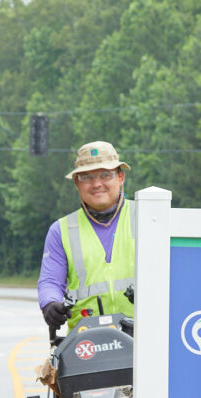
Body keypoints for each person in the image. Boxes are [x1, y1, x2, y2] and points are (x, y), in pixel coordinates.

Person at [38, 141, 135, 331]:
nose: (97, 183)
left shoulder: (148, 217)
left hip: (146, 337)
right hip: (86, 344)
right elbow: (50, 282)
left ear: (121, 177)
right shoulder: (61, 230)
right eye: (87, 177)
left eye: (106, 175)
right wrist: (50, 304)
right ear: (77, 183)